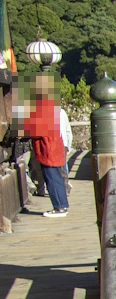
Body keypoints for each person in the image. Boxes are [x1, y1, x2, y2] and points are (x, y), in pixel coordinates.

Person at [16, 75, 69, 218]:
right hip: (53, 148)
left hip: (49, 150)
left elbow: (39, 129)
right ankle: (62, 206)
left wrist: (23, 132)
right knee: (56, 178)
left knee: (52, 179)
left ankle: (59, 208)